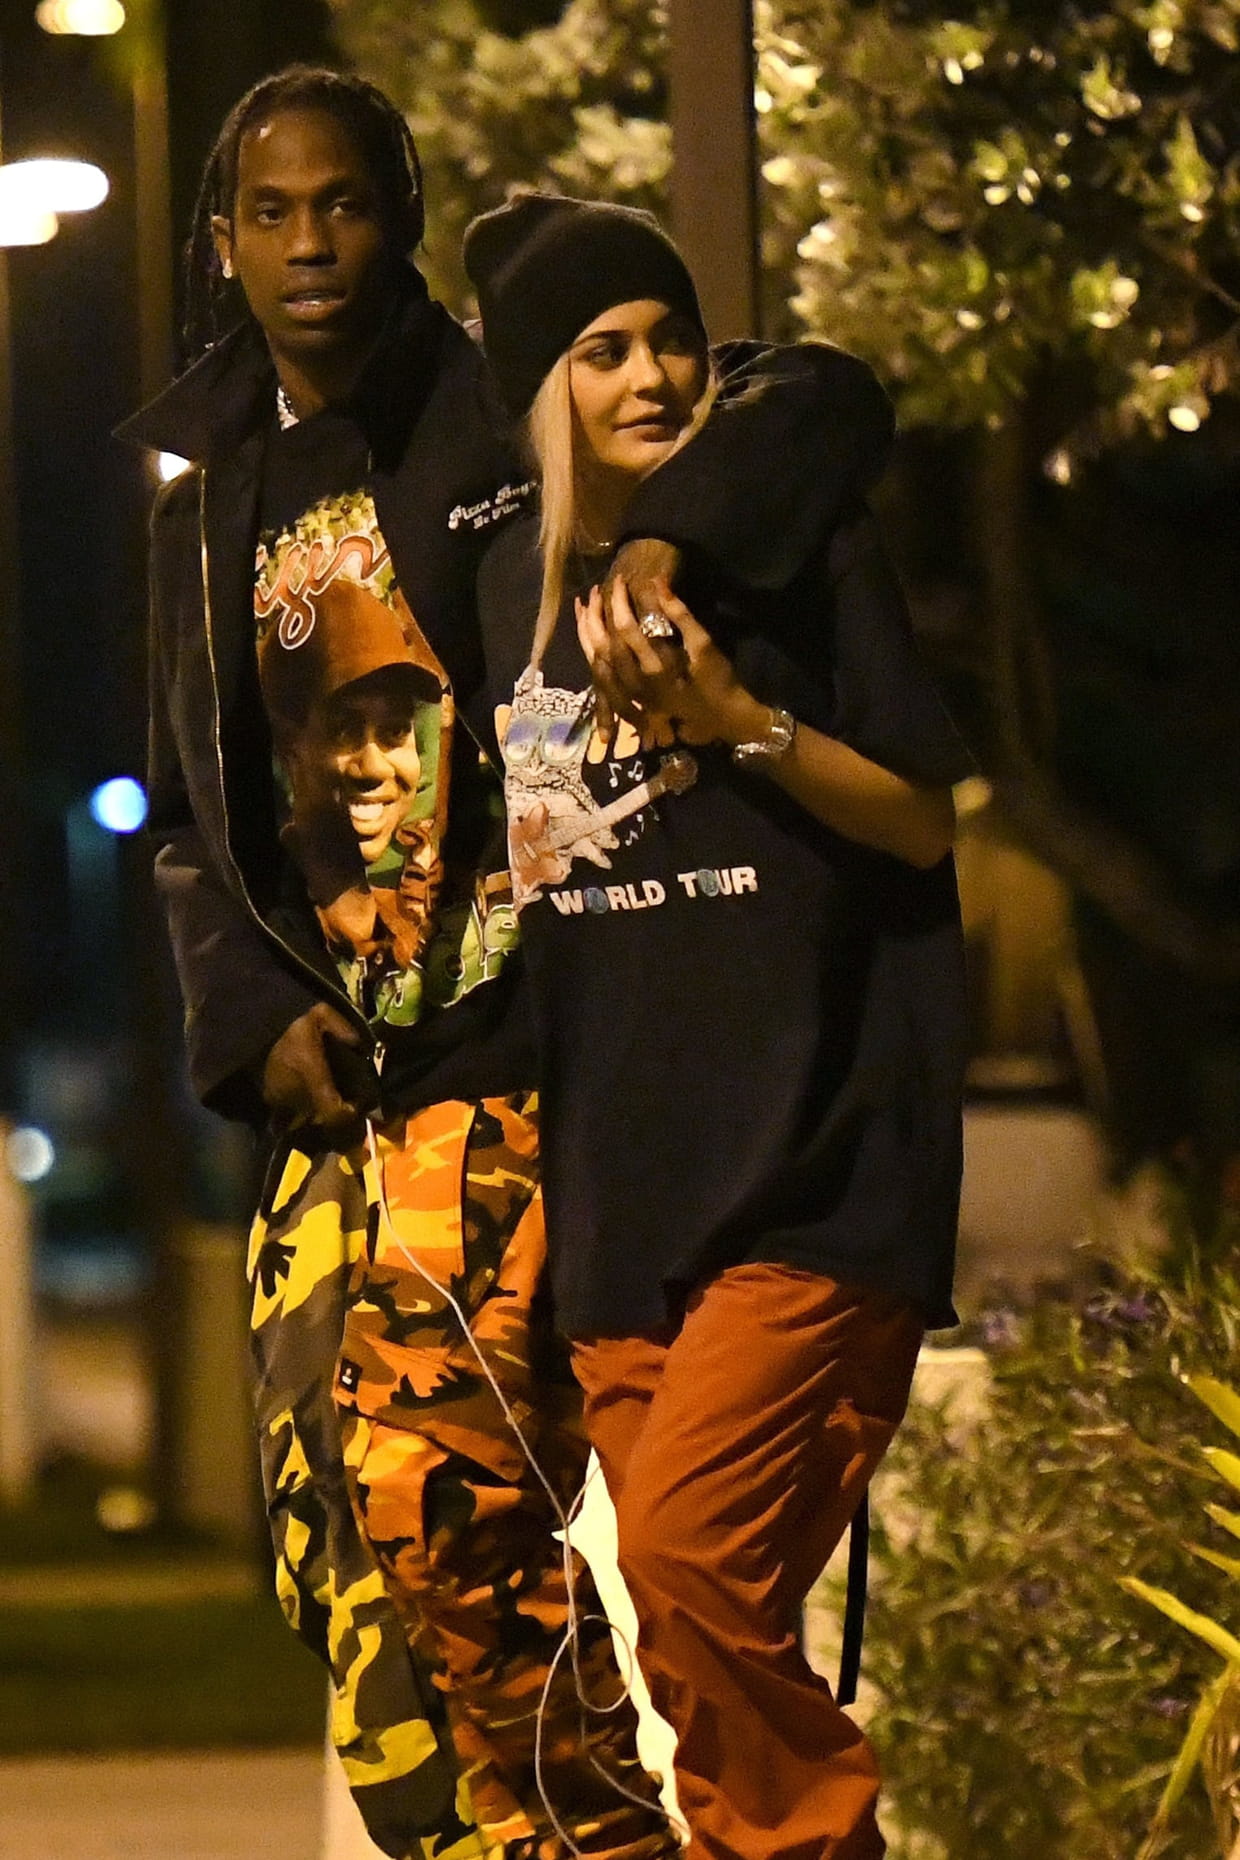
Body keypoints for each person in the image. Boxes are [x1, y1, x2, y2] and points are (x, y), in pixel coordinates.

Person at [121, 62, 897, 1860]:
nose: (312, 246)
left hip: (522, 1045)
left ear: (402, 218)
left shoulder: (501, 404)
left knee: (448, 1497)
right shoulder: (201, 503)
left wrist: (668, 534)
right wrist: (253, 1017)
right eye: (270, 213)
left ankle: (595, 1837)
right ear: (221, 242)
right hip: (347, 1077)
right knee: (340, 1551)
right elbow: (195, 815)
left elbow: (816, 395)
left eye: (346, 205)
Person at [466, 192, 973, 1860]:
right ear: (537, 389)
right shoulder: (504, 589)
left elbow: (920, 822)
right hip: (631, 1221)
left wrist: (740, 722)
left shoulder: (800, 553)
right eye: (601, 350)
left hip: (815, 1184)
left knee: (684, 1568)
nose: (652, 376)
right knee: (689, 1645)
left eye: (671, 340)